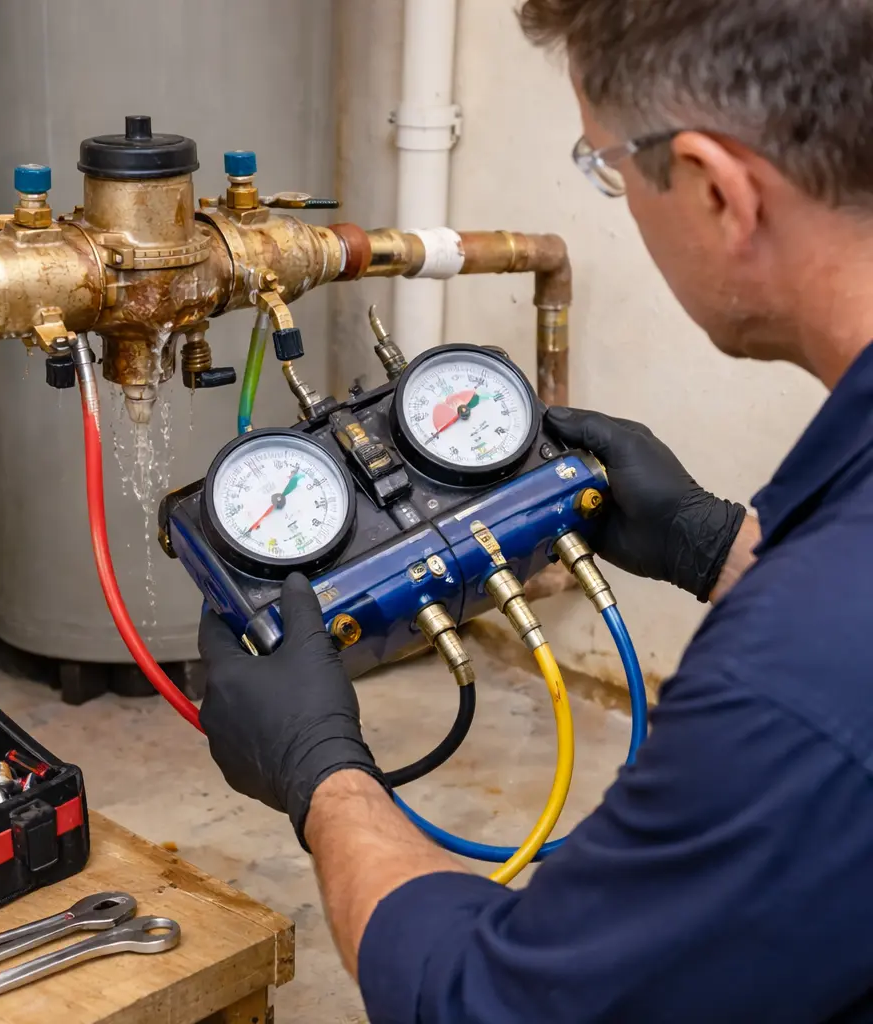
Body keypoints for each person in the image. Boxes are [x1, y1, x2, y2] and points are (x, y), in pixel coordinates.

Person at [197, 1, 873, 1020]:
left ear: (716, 190)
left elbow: (485, 1001)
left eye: (603, 165)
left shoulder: (784, 686)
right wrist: (717, 545)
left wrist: (322, 773)